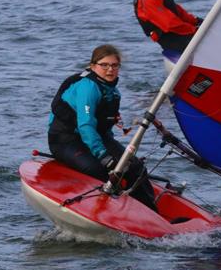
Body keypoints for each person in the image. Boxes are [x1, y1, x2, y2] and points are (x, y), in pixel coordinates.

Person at [47, 44, 158, 211]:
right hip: (66, 141)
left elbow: (104, 128)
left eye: (114, 65)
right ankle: (110, 209)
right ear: (93, 66)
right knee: (99, 170)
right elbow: (85, 126)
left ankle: (152, 212)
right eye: (104, 65)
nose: (110, 70)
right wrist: (104, 157)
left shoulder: (113, 92)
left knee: (135, 167)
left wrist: (115, 153)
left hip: (95, 138)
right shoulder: (88, 87)